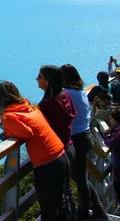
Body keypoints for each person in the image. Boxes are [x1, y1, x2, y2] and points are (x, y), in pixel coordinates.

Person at [0, 80, 70, 221]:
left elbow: (26, 132)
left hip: (47, 163)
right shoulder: (29, 107)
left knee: (48, 207)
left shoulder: (9, 115)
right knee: (61, 201)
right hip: (60, 155)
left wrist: (6, 130)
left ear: (0, 98)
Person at [61, 64, 104, 220]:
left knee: (79, 179)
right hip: (85, 136)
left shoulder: (66, 94)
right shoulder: (80, 92)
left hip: (77, 139)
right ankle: (96, 209)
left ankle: (86, 212)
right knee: (80, 178)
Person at [36, 65, 78, 220]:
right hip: (68, 147)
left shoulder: (48, 104)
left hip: (55, 154)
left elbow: (38, 128)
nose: (36, 79)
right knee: (66, 194)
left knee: (53, 202)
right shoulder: (65, 95)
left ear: (47, 81)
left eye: (39, 76)